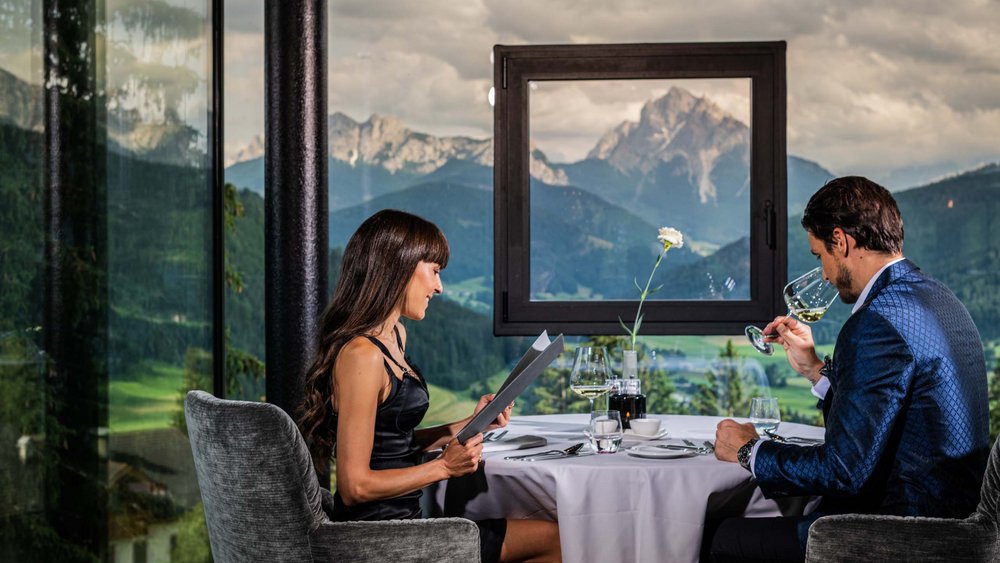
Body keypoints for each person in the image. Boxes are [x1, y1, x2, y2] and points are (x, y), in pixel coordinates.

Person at [710, 176, 990, 562]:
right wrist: (816, 373)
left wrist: (749, 450)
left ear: (840, 241)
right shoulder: (937, 297)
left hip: (903, 534)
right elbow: (890, 411)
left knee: (723, 535)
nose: (823, 274)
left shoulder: (875, 322)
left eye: (819, 256)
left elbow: (843, 470)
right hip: (960, 523)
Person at [297, 209, 561, 563]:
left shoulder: (393, 336)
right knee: (553, 539)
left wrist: (468, 425)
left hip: (405, 524)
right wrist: (444, 468)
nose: (439, 287)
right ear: (399, 266)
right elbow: (355, 486)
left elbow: (391, 442)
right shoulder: (362, 355)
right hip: (378, 541)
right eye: (434, 271)